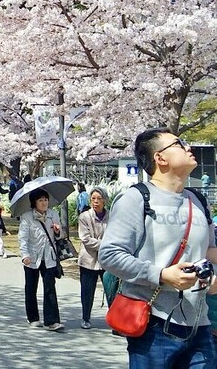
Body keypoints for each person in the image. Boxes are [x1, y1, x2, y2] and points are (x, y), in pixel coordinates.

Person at [99, 128, 217, 367]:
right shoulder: (136, 199)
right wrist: (162, 275)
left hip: (200, 324)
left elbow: (209, 251)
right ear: (160, 158)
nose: (188, 148)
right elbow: (110, 255)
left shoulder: (197, 201)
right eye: (179, 144)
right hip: (154, 326)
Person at [18, 187, 64, 332]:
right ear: (34, 203)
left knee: (50, 287)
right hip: (32, 257)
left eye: (46, 200)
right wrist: (25, 255)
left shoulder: (53, 215)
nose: (44, 203)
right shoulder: (27, 217)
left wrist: (57, 231)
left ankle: (52, 321)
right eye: (40, 200)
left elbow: (59, 236)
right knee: (31, 288)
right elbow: (23, 238)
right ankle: (33, 317)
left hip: (49, 256)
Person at [77, 186, 108, 330]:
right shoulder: (84, 217)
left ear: (105, 201)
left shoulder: (111, 216)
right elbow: (85, 238)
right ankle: (86, 318)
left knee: (111, 290)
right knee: (87, 291)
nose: (96, 202)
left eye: (99, 199)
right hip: (88, 260)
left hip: (107, 260)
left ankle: (115, 320)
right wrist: (105, 244)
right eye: (93, 199)